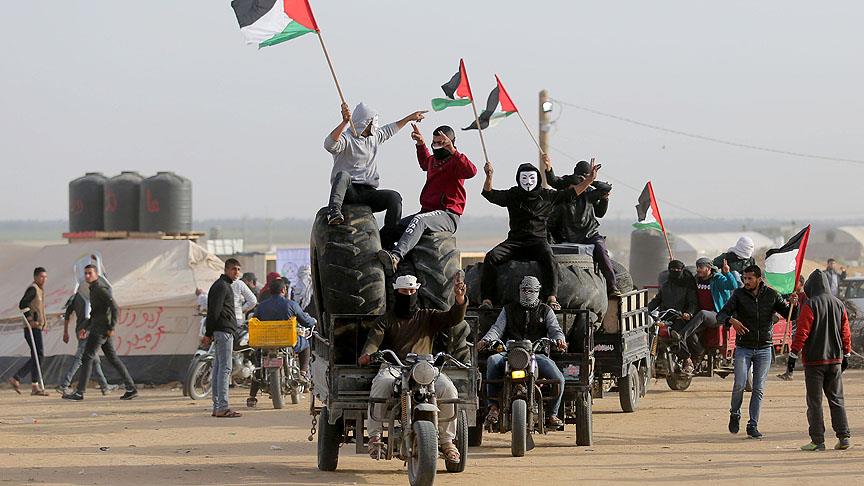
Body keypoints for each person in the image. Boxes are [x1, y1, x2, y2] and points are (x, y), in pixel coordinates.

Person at [358, 274, 467, 464]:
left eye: (411, 291)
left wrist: (459, 299)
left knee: (448, 389)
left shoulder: (428, 316)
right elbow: (374, 340)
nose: (408, 295)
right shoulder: (385, 320)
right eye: (404, 291)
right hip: (394, 367)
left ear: (416, 291)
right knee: (381, 385)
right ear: (396, 292)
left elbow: (453, 317)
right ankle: (375, 437)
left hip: (424, 368)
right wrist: (368, 354)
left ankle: (447, 441)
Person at [479, 155, 599, 311]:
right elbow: (489, 194)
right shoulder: (513, 194)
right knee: (491, 257)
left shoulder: (546, 195)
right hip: (515, 242)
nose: (528, 181)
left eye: (531, 177)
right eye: (524, 178)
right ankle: (487, 300)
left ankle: (551, 297)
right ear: (518, 179)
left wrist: (589, 180)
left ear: (537, 179)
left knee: (550, 258)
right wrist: (489, 176)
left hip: (538, 242)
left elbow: (571, 193)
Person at [378, 124, 477, 273]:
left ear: (450, 142)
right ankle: (383, 261)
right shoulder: (433, 161)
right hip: (426, 211)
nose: (436, 146)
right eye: (434, 143)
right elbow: (425, 162)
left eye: (441, 143)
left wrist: (453, 151)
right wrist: (420, 144)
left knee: (419, 220)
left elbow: (471, 172)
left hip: (447, 215)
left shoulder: (456, 162)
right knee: (392, 228)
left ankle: (396, 257)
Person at [324, 101, 427, 245]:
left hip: (368, 193)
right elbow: (329, 145)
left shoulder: (374, 138)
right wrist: (344, 122)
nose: (374, 128)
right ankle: (334, 211)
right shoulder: (346, 139)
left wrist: (409, 118)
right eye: (371, 124)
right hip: (349, 191)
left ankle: (387, 240)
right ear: (363, 123)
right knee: (343, 175)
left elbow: (390, 129)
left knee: (394, 197)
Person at [718, 264, 797, 439]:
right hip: (743, 348)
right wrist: (731, 320)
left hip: (764, 348)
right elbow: (721, 315)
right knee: (739, 384)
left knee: (758, 388)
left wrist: (794, 304)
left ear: (759, 279)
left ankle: (752, 425)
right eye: (744, 278)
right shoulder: (738, 295)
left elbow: (790, 314)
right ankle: (735, 413)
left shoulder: (772, 295)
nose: (746, 281)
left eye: (749, 278)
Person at [478, 276, 567, 428]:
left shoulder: (546, 310)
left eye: (531, 291)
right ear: (519, 290)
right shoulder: (508, 309)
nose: (527, 293)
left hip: (536, 354)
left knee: (559, 379)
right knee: (492, 361)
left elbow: (555, 329)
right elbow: (497, 329)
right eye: (524, 290)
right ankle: (493, 407)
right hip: (510, 353)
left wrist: (560, 340)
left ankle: (552, 414)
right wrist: (485, 340)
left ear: (538, 292)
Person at [790, 269, 852, 451]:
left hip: (814, 362)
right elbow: (845, 332)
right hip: (835, 360)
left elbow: (802, 332)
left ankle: (818, 441)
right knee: (837, 399)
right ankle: (844, 437)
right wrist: (847, 353)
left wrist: (793, 354)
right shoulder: (839, 304)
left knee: (815, 402)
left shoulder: (810, 304)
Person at [63, 265, 138, 401]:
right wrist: (86, 327)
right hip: (99, 328)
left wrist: (111, 327)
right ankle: (131, 388)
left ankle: (79, 392)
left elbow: (114, 307)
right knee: (112, 358)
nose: (87, 276)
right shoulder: (92, 289)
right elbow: (95, 313)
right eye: (85, 273)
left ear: (96, 274)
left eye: (90, 273)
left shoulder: (100, 289)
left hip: (100, 330)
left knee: (87, 357)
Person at [545, 158, 618, 296]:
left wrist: (591, 181)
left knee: (601, 250)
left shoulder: (589, 192)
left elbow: (601, 210)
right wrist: (548, 168)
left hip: (588, 234)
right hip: (563, 235)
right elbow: (552, 180)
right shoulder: (564, 189)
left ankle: (612, 286)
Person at [246, 279, 317, 408]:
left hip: (266, 342)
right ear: (283, 290)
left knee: (259, 364)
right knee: (305, 344)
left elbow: (254, 320)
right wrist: (313, 321)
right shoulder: (291, 304)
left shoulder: (262, 306)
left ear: (270, 291)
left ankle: (252, 397)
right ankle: (302, 373)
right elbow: (305, 321)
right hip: (287, 342)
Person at [670, 257, 740, 373]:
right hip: (700, 317)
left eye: (700, 267)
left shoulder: (718, 279)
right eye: (697, 267)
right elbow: (684, 279)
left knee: (702, 314)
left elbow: (732, 285)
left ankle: (681, 336)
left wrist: (727, 273)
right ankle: (699, 352)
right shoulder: (696, 279)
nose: (698, 270)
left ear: (708, 268)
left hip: (717, 315)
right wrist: (677, 268)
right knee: (689, 329)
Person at [201, 258, 243, 417]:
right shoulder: (222, 286)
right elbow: (214, 312)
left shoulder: (223, 286)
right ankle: (222, 407)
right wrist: (208, 333)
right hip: (223, 331)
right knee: (225, 369)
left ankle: (218, 406)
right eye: (233, 269)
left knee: (219, 368)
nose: (236, 272)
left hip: (222, 331)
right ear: (226, 270)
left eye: (238, 269)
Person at [56, 292, 116, 395]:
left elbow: (67, 314)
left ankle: (104, 386)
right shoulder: (90, 296)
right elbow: (92, 317)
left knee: (95, 360)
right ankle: (64, 385)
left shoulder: (76, 297)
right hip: (86, 332)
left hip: (81, 330)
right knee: (79, 359)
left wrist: (65, 332)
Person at [648, 260, 698, 371]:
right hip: (665, 315)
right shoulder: (666, 285)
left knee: (676, 334)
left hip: (681, 317)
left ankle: (687, 359)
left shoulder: (688, 285)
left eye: (677, 269)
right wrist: (646, 309)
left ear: (682, 270)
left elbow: (693, 303)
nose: (675, 271)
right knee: (651, 331)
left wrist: (688, 313)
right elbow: (657, 300)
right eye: (672, 269)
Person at [9, 267, 50, 396]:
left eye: (45, 277)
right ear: (36, 277)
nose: (44, 279)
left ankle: (33, 386)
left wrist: (43, 323)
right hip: (31, 328)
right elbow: (23, 304)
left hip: (37, 327)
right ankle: (18, 377)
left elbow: (38, 308)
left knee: (36, 355)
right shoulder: (33, 289)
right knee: (39, 355)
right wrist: (30, 319)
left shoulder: (40, 290)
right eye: (41, 277)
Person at [778, 275, 807, 381]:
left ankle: (790, 372)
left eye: (796, 282)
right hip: (795, 326)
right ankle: (790, 372)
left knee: (796, 349)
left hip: (803, 327)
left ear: (801, 283)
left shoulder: (805, 296)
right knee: (794, 349)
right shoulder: (791, 295)